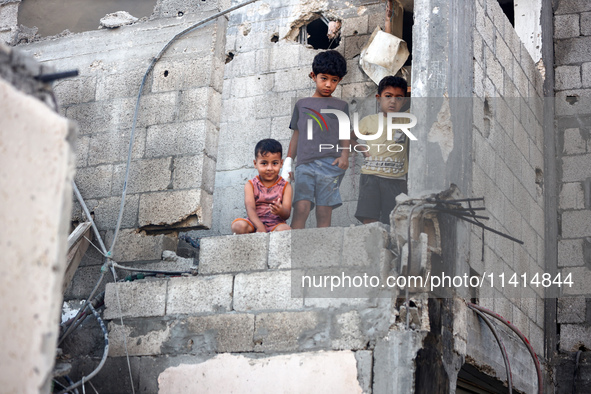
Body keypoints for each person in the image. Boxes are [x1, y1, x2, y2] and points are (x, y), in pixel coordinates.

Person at [283, 50, 349, 229]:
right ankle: (295, 249)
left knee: (323, 211)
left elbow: (345, 134)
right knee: (301, 208)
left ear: (339, 80)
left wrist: (344, 156)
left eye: (334, 80)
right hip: (305, 164)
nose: (328, 84)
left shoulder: (341, 106)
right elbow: (297, 134)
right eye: (324, 78)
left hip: (330, 164)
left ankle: (323, 252)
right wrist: (288, 161)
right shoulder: (301, 104)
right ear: (313, 76)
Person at [352, 76, 410, 225]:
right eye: (388, 96)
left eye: (399, 98)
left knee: (393, 219)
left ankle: (389, 248)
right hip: (370, 177)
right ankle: (372, 247)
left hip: (395, 180)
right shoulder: (368, 121)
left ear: (404, 101)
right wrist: (363, 150)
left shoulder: (408, 120)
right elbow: (346, 138)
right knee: (369, 218)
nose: (393, 101)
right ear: (379, 98)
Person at [231, 139, 292, 234]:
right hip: (254, 223)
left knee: (286, 229)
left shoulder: (286, 186)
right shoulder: (250, 185)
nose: (269, 168)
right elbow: (250, 209)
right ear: (255, 164)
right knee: (237, 226)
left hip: (275, 224)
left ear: (281, 163)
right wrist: (260, 227)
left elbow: (287, 214)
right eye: (264, 163)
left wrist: (280, 211)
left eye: (275, 163)